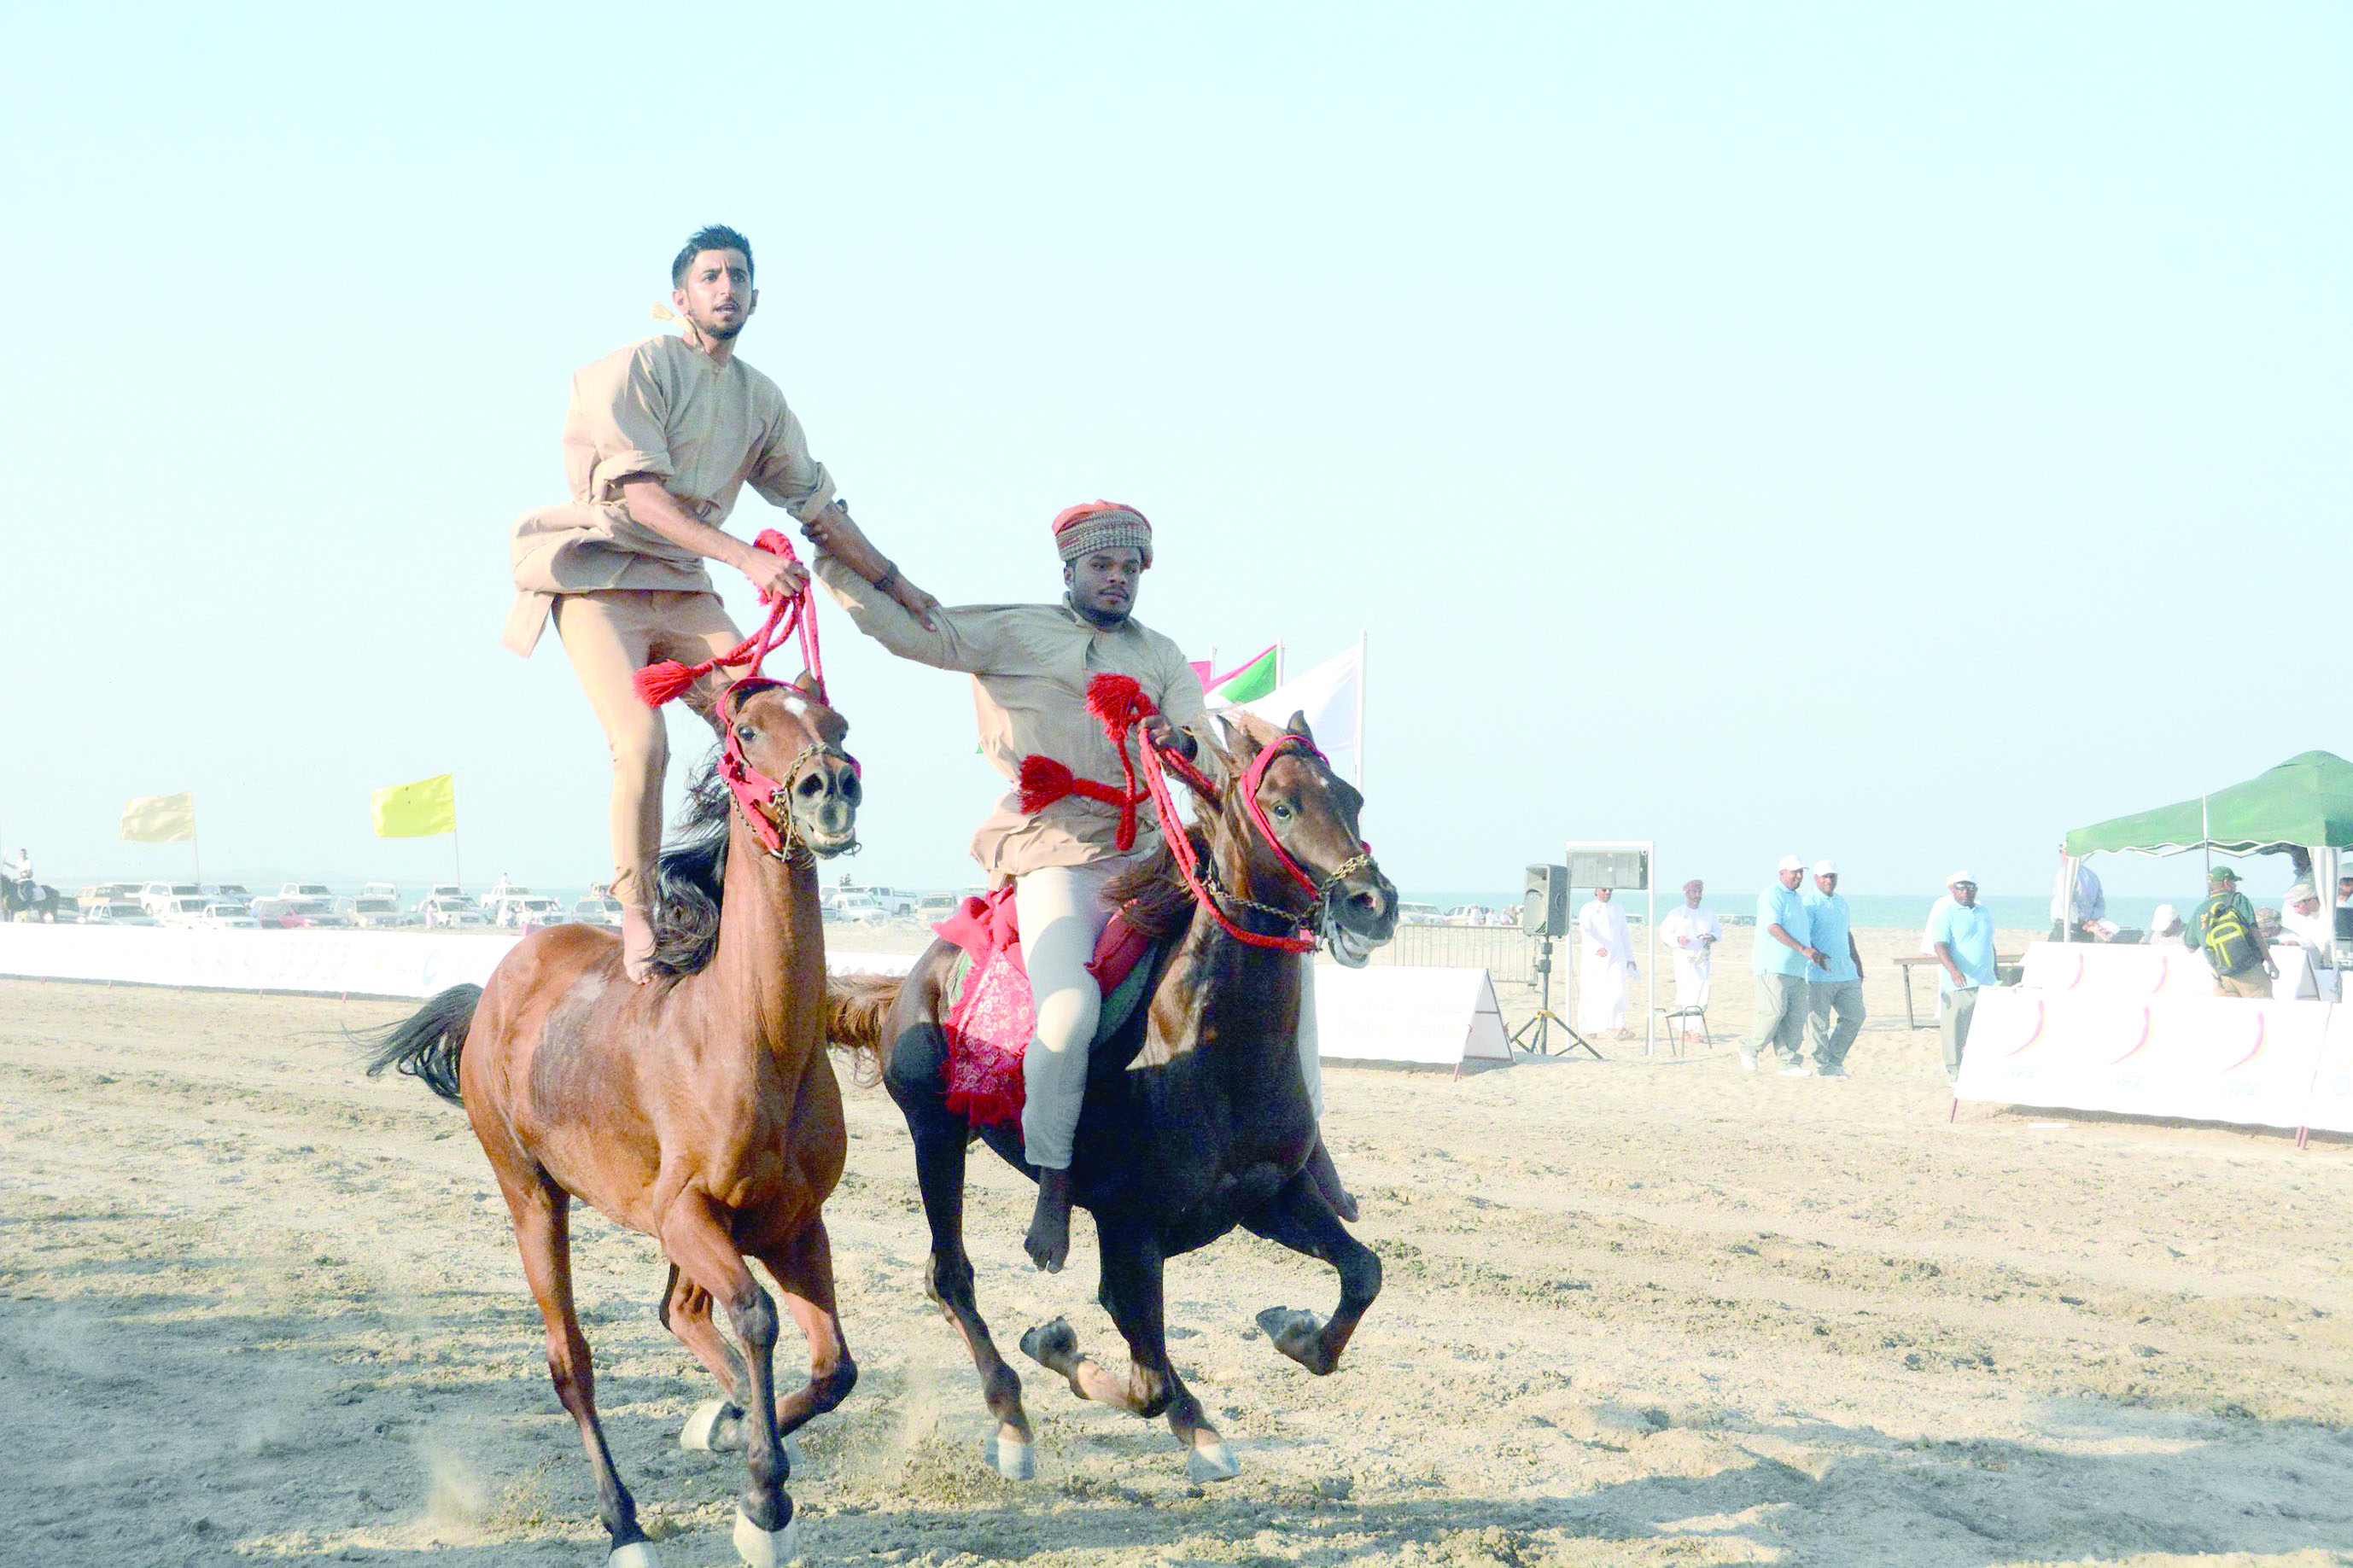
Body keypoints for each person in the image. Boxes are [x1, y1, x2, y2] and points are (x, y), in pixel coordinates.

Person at [816, 500, 1329, 1272]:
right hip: (1053, 852)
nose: (1117, 580)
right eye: (1102, 566)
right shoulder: (1017, 630)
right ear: (1070, 571)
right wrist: (832, 564)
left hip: (1152, 856)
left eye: (1129, 569)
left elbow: (1199, 741)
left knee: (1283, 951)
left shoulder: (1160, 653)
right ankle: (1055, 1176)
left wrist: (1173, 737)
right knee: (1069, 1006)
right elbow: (910, 632)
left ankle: (1309, 1146)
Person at [502, 224, 935, 982]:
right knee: (642, 744)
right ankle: (637, 913)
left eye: (738, 276)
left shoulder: (760, 398)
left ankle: (753, 901)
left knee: (769, 728)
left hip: (686, 587)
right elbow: (642, 501)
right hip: (603, 584)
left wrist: (899, 585)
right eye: (710, 277)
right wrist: (746, 558)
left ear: (756, 297)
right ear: (681, 297)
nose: (725, 287)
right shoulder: (635, 368)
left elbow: (819, 507)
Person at [1743, 855, 1825, 1075]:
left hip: (1798, 969)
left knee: (1795, 1018)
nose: (1799, 876)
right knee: (1773, 1011)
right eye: (1794, 872)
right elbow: (1773, 927)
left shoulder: (1797, 899)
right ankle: (1749, 1048)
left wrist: (1813, 953)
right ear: (1782, 873)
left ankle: (1789, 1063)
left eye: (1801, 872)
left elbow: (1802, 932)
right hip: (1772, 966)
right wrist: (1802, 949)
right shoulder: (1772, 894)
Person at [1929, 871, 1997, 1078]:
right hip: (1957, 984)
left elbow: (1988, 944)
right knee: (1953, 1032)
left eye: (1970, 887)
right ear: (1952, 889)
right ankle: (1954, 1073)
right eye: (1960, 887)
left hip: (1985, 982)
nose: (1965, 892)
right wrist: (1953, 970)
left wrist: (1996, 971)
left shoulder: (1984, 912)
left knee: (1979, 1030)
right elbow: (1940, 945)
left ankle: (1976, 1069)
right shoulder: (1946, 914)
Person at [1801, 860, 1865, 1076]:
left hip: (1847, 973)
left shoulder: (1841, 903)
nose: (1829, 880)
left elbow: (1846, 934)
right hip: (1819, 975)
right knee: (1818, 1023)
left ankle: (1834, 1060)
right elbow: (1803, 936)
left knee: (1856, 1016)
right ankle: (1822, 1065)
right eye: (1824, 876)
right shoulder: (1809, 903)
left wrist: (1857, 963)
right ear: (1816, 879)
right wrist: (1816, 954)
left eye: (1832, 876)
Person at [2187, 866, 2277, 998]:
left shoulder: (2200, 909)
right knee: (2263, 1014)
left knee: (2230, 1018)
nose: (2235, 886)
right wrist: (2270, 962)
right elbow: (2256, 934)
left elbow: (2190, 948)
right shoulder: (2238, 900)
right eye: (2234, 882)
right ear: (2226, 883)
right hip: (2249, 972)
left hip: (2221, 977)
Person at [1658, 879, 1720, 1041]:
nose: (1697, 895)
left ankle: (1695, 1029)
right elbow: (1664, 933)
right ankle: (1683, 1029)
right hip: (1683, 957)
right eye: (1694, 892)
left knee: (1700, 992)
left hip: (1702, 957)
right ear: (1687, 893)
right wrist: (1678, 939)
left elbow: (1718, 932)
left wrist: (1711, 937)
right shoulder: (1676, 913)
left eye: (1700, 892)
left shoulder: (1709, 912)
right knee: (1685, 991)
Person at [1574, 886, 1637, 1039]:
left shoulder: (1618, 908)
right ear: (1596, 890)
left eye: (1610, 890)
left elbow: (1624, 933)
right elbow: (1586, 931)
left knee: (1618, 991)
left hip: (1617, 955)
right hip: (1595, 957)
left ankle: (1619, 1027)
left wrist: (1630, 957)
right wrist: (1597, 947)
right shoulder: (1587, 908)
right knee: (1593, 991)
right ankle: (1591, 1028)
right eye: (1604, 890)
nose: (1607, 893)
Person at [2050, 844, 2107, 941]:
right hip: (2087, 930)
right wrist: (2091, 920)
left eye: (2062, 852)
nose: (2061, 855)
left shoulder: (2064, 873)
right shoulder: (2092, 875)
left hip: (2067, 927)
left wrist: (2084, 920)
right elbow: (2100, 904)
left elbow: (2067, 901)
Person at [2281, 882, 2333, 962]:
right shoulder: (2308, 919)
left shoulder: (2331, 914)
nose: (2296, 911)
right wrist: (2295, 943)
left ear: (2310, 901)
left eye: (2297, 906)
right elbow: (2309, 941)